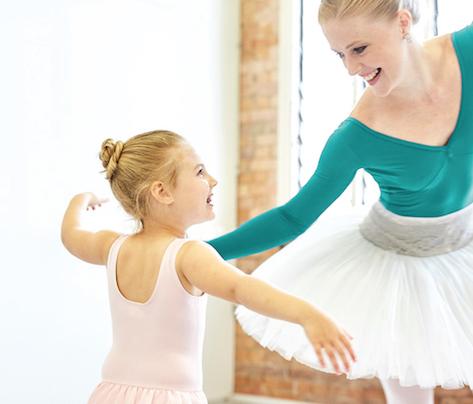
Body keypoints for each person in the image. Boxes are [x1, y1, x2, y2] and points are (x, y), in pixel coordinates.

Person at [207, 0, 473, 403]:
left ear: (402, 22)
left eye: (359, 49)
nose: (350, 69)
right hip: (393, 263)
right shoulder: (354, 137)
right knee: (409, 389)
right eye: (339, 55)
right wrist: (200, 252)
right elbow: (292, 218)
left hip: (471, 245)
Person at [61, 130, 356, 404]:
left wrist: (80, 200)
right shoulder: (188, 254)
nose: (213, 180)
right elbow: (242, 288)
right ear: (162, 192)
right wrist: (308, 314)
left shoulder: (112, 247)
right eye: (200, 172)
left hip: (111, 392)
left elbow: (71, 235)